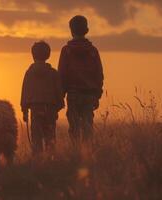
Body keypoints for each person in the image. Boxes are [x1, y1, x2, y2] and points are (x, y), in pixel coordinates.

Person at [58, 15, 104, 145]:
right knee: (88, 126)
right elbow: (99, 74)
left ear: (71, 31)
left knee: (74, 128)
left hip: (73, 94)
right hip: (89, 95)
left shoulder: (66, 51)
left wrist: (60, 95)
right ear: (87, 30)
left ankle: (76, 154)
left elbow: (61, 74)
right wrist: (97, 94)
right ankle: (88, 154)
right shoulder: (93, 51)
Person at [21, 41, 64, 154]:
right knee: (50, 137)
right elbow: (59, 93)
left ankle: (38, 164)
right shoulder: (54, 73)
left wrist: (24, 111)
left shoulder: (29, 73)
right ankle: (51, 162)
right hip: (50, 109)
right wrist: (58, 107)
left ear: (33, 55)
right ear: (48, 55)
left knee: (36, 139)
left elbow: (25, 93)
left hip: (35, 109)